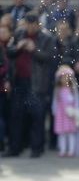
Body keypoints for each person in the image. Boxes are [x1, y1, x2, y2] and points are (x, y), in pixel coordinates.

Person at [5, 12, 55, 158]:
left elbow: (49, 58)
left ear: (38, 24)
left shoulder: (47, 37)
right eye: (27, 24)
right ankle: (15, 148)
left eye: (33, 25)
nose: (30, 27)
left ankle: (36, 148)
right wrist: (19, 47)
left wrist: (34, 49)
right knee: (16, 115)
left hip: (37, 83)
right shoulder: (19, 34)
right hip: (18, 81)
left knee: (36, 116)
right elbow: (9, 52)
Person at [52, 65, 79, 157]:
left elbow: (76, 101)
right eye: (62, 77)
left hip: (70, 114)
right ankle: (63, 150)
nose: (64, 79)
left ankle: (71, 151)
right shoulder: (58, 90)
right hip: (61, 114)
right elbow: (55, 101)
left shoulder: (72, 90)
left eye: (66, 77)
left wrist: (76, 111)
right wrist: (54, 110)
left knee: (71, 133)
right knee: (62, 133)